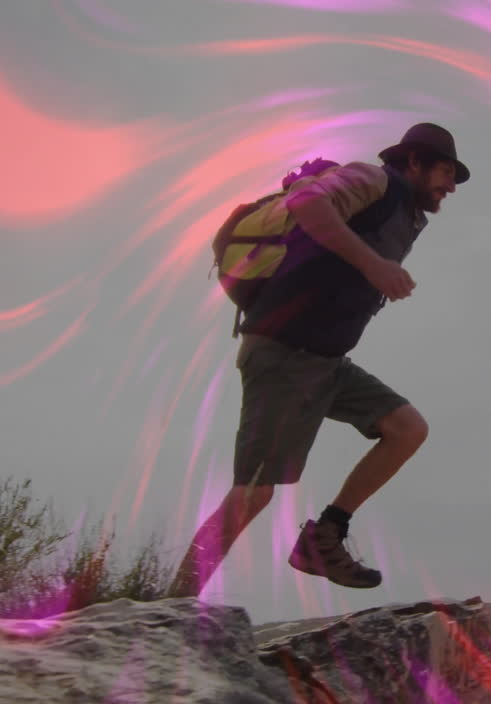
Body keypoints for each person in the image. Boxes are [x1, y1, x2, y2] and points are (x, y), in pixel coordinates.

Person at [168, 123, 470, 596]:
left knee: (407, 428)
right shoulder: (374, 179)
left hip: (326, 361)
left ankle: (324, 537)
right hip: (284, 352)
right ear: (414, 161)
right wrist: (374, 264)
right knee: (254, 491)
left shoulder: (406, 215)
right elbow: (307, 202)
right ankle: (174, 603)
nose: (451, 186)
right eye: (446, 172)